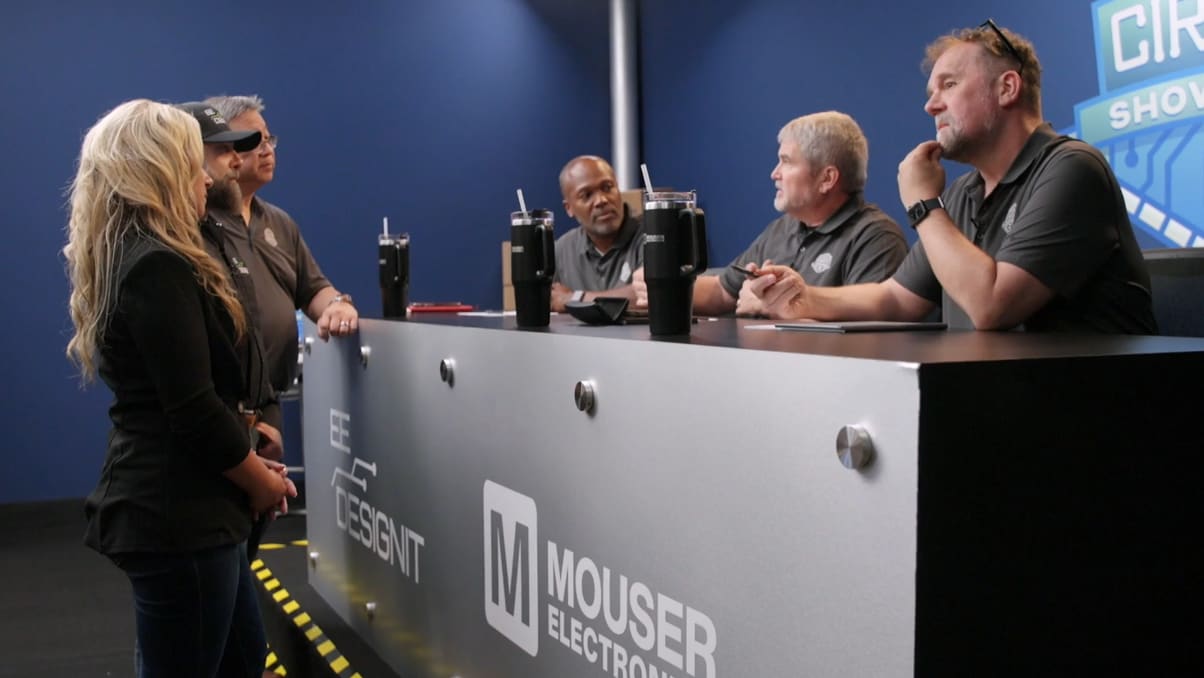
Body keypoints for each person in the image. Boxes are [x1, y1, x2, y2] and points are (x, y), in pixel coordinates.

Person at [64, 99, 295, 676]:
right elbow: (191, 409)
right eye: (195, 163)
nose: (207, 177)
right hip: (180, 513)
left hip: (197, 508)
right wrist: (259, 480)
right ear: (161, 170)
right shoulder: (157, 264)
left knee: (241, 660)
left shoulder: (148, 254)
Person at [752, 22, 1156, 333]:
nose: (931, 105)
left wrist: (924, 205)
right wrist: (803, 298)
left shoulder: (1071, 168)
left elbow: (992, 306)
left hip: (1095, 413)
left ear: (1007, 88)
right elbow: (896, 299)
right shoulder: (965, 192)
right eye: (931, 91)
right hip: (1002, 400)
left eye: (949, 85)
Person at [633, 112, 907, 316]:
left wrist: (772, 307)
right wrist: (666, 283)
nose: (774, 174)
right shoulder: (782, 229)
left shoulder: (876, 237)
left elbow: (867, 336)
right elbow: (722, 291)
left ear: (827, 179)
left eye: (786, 162)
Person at [180, 101, 289, 564]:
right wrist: (257, 477)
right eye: (223, 151)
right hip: (203, 482)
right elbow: (193, 401)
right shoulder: (174, 255)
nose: (234, 162)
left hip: (245, 440)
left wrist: (260, 418)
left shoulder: (236, 235)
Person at [202, 95, 357, 410]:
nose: (267, 150)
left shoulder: (279, 223)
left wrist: (337, 306)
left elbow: (313, 289)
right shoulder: (197, 221)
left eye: (268, 139)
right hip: (217, 408)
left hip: (269, 402)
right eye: (251, 141)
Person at [550, 155, 646, 311]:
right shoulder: (562, 250)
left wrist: (576, 299)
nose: (601, 200)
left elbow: (654, 295)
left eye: (607, 187)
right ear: (569, 208)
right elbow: (551, 300)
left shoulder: (650, 236)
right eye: (587, 195)